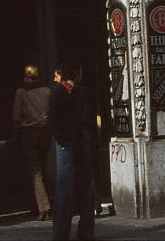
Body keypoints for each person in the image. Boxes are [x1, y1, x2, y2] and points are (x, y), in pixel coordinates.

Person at [48, 66, 95, 241]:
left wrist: (61, 140)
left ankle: (61, 233)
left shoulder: (58, 92)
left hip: (67, 145)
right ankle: (86, 230)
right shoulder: (83, 91)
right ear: (76, 74)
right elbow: (87, 117)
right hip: (80, 142)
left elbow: (52, 120)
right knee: (86, 186)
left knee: (64, 188)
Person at [11, 65, 52, 221]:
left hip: (29, 134)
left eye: (30, 77)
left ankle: (44, 207)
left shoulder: (21, 93)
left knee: (35, 172)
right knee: (42, 168)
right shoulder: (48, 91)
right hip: (45, 134)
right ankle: (39, 204)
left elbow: (15, 118)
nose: (28, 79)